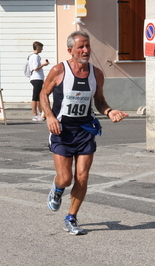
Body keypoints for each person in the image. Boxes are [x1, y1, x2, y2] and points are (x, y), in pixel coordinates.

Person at [40, 31, 129, 235]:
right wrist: (50, 117)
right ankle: (57, 188)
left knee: (82, 177)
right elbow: (43, 94)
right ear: (70, 50)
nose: (86, 50)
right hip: (62, 131)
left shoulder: (96, 74)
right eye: (81, 47)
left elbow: (99, 101)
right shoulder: (58, 70)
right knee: (65, 178)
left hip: (85, 130)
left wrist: (109, 111)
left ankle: (71, 218)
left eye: (87, 46)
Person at [29, 41, 49, 121]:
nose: (42, 49)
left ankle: (40, 113)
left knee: (38, 97)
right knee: (35, 96)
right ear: (38, 48)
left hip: (37, 78)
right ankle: (35, 114)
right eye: (41, 48)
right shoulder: (35, 56)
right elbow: (35, 68)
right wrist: (44, 64)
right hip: (36, 78)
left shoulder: (33, 56)